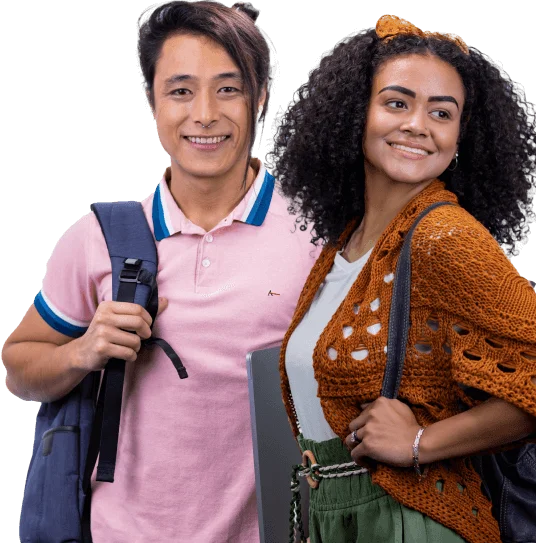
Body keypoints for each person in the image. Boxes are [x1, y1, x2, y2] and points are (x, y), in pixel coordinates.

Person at [273, 14, 536, 543]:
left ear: (459, 136)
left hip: (409, 515)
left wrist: (421, 441)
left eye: (441, 113)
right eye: (397, 103)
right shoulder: (349, 242)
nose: (417, 125)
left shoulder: (442, 236)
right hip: (337, 511)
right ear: (357, 113)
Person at [2, 1, 318, 541]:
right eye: (180, 91)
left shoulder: (316, 235)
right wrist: (83, 352)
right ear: (151, 103)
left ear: (260, 97)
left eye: (228, 88)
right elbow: (16, 366)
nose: (204, 114)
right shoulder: (102, 235)